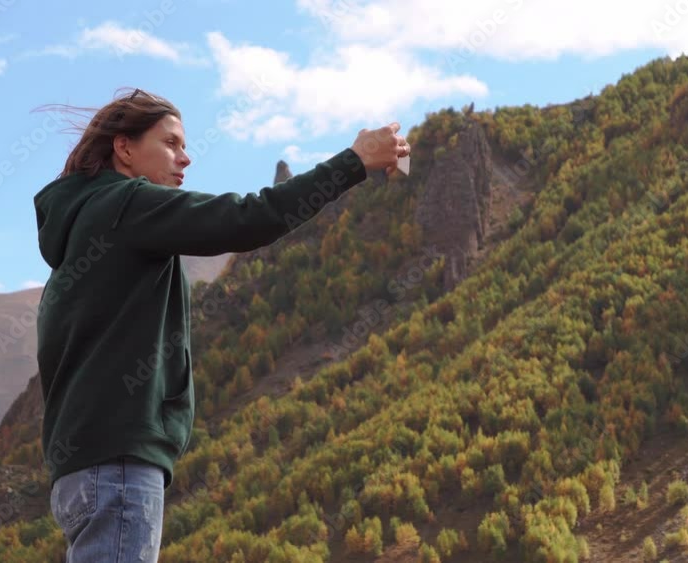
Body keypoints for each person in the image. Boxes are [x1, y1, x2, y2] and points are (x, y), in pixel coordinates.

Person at [32, 87, 411, 562]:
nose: (185, 158)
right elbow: (249, 218)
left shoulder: (81, 229)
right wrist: (354, 161)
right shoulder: (127, 205)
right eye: (170, 143)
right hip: (120, 467)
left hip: (82, 473)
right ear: (123, 149)